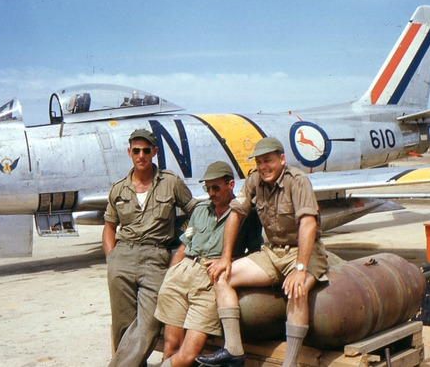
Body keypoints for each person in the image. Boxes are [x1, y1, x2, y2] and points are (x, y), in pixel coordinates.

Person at [196, 137, 329, 367]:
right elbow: (235, 214)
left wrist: (300, 268)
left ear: (282, 159)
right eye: (259, 162)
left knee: (297, 291)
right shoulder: (254, 180)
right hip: (272, 253)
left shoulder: (297, 181)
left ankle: (290, 362)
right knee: (222, 276)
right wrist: (225, 259)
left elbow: (308, 224)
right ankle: (234, 350)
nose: (263, 166)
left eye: (268, 160)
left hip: (302, 252)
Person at [102, 128, 198, 367]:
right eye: (136, 150)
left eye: (146, 150)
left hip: (156, 256)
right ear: (129, 152)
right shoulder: (118, 188)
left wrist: (185, 245)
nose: (141, 155)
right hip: (122, 256)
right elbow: (109, 226)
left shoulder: (171, 182)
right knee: (123, 326)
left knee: (149, 324)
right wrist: (111, 257)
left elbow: (196, 212)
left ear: (154, 152)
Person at [154, 161, 262, 367]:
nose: (211, 193)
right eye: (207, 188)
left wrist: (228, 260)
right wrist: (171, 274)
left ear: (231, 185)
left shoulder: (247, 215)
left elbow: (255, 252)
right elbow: (184, 246)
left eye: (216, 187)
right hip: (182, 273)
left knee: (188, 354)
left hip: (210, 280)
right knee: (170, 346)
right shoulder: (201, 210)